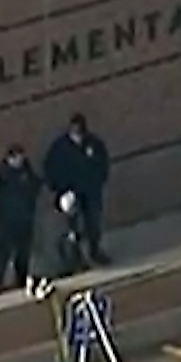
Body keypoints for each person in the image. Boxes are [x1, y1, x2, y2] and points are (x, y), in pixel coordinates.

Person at [43, 113, 112, 265]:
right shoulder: (60, 148)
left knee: (93, 223)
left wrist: (99, 182)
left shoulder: (94, 143)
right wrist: (60, 190)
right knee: (72, 227)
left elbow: (103, 164)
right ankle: (76, 258)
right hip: (70, 193)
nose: (78, 136)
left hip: (91, 191)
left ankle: (95, 251)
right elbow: (50, 169)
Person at [0, 144, 42, 295]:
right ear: (11, 158)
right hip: (7, 220)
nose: (20, 161)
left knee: (23, 251)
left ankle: (21, 278)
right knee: (3, 252)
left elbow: (35, 186)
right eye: (18, 158)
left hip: (25, 218)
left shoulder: (26, 171)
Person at [27, 190, 87, 296]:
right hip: (54, 263)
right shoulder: (66, 225)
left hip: (39, 259)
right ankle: (41, 286)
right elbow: (67, 250)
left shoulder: (47, 216)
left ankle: (34, 283)